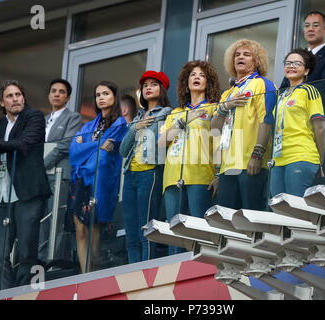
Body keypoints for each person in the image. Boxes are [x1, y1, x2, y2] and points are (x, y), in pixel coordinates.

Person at [0, 80, 51, 289]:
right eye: (10, 96)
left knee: (26, 251)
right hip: (4, 195)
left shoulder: (34, 117)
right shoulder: (1, 124)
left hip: (28, 193)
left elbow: (24, 144)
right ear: (1, 102)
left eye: (18, 95)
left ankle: (27, 293)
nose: (15, 99)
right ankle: (6, 293)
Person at [158, 61, 221, 253]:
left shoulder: (214, 108)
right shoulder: (175, 114)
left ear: (208, 82)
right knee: (174, 231)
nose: (196, 78)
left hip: (201, 175)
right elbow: (161, 142)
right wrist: (186, 119)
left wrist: (218, 174)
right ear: (186, 82)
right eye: (192, 75)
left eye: (201, 75)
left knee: (200, 228)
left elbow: (219, 143)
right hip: (172, 178)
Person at [211, 39, 277, 210]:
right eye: (237, 55)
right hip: (227, 167)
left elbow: (267, 120)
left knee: (250, 218)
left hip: (251, 163)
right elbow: (215, 130)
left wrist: (257, 154)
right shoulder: (227, 93)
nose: (240, 57)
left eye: (247, 55)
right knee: (226, 222)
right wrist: (225, 107)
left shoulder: (263, 84)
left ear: (257, 61)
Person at [69, 81, 127, 273]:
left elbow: (103, 156)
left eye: (106, 93)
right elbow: (73, 152)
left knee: (94, 227)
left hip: (101, 180)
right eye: (98, 94)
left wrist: (85, 145)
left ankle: (94, 272)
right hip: (81, 180)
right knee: (79, 228)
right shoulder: (89, 124)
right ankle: (85, 274)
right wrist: (95, 145)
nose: (101, 97)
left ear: (114, 97)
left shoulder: (120, 123)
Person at [119, 71, 172, 263]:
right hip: (130, 174)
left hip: (150, 172)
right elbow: (123, 150)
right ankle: (133, 271)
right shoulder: (138, 116)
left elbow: (161, 143)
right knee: (131, 231)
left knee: (146, 227)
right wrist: (135, 127)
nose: (148, 87)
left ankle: (147, 271)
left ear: (162, 89)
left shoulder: (167, 113)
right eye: (145, 85)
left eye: (154, 84)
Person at [269, 49, 325, 197]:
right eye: (288, 63)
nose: (291, 66)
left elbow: (319, 128)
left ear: (306, 70)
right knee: (278, 207)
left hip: (301, 155)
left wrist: (321, 160)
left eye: (297, 63)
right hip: (278, 157)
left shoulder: (309, 91)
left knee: (295, 208)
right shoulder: (281, 95)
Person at [281, 11, 325, 138]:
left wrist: (293, 99)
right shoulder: (296, 56)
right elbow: (283, 88)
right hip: (287, 122)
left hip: (313, 123)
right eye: (307, 26)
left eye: (315, 25)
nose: (310, 29)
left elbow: (324, 89)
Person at [38, 79, 82, 262]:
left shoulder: (74, 117)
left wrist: (43, 164)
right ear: (49, 95)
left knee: (56, 216)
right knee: (40, 218)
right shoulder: (43, 120)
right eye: (53, 91)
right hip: (41, 175)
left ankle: (54, 259)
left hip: (59, 173)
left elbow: (66, 144)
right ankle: (40, 257)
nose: (57, 94)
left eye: (61, 91)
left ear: (68, 97)